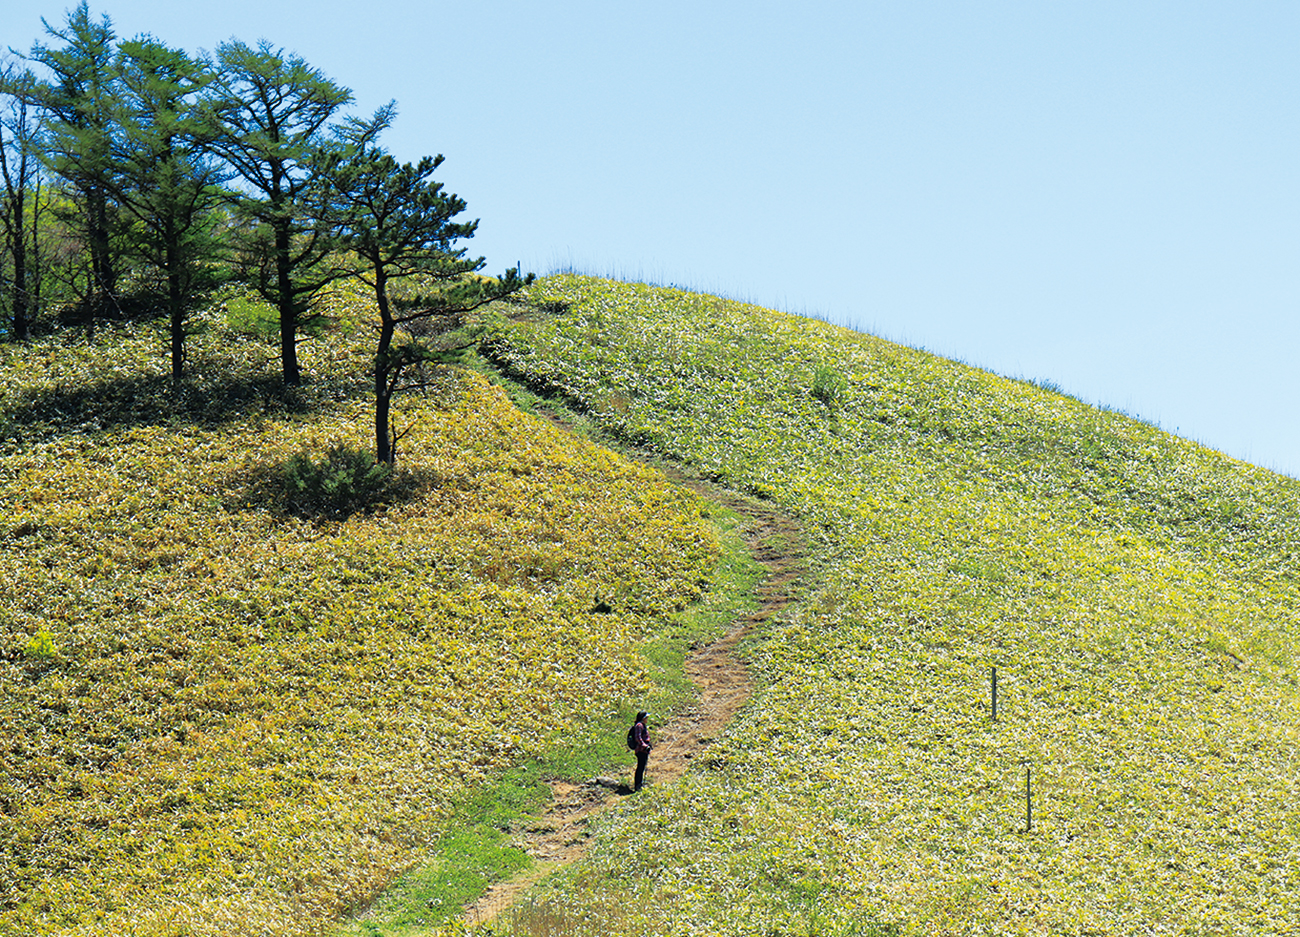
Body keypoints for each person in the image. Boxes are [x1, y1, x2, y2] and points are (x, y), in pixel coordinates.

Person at [631, 711, 652, 791]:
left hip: (644, 750)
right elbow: (638, 738)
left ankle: (640, 784)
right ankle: (637, 785)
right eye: (646, 718)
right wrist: (644, 746)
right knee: (640, 767)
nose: (647, 719)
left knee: (642, 767)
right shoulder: (639, 725)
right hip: (641, 750)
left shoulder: (642, 725)